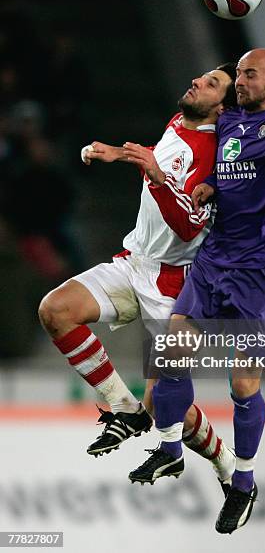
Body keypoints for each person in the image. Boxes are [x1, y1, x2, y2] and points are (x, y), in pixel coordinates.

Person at [129, 49, 265, 534]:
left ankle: (244, 482)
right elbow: (229, 165)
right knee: (172, 351)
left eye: (250, 74)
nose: (240, 80)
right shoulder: (230, 118)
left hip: (260, 268)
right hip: (214, 259)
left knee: (242, 385)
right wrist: (212, 184)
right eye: (238, 72)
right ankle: (171, 450)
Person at [38, 64, 237, 490]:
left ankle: (226, 464)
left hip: (177, 286)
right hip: (134, 262)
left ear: (222, 109)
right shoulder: (178, 120)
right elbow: (161, 157)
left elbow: (189, 225)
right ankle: (120, 406)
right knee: (56, 310)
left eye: (211, 84)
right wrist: (118, 153)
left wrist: (155, 175)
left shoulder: (218, 158)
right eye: (202, 76)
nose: (197, 81)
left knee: (169, 408)